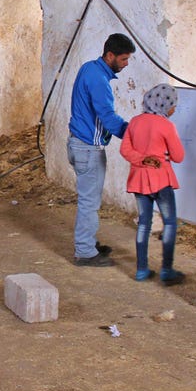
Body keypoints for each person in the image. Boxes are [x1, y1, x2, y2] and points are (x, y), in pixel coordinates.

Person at [68, 32, 136, 267]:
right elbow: (108, 117)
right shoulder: (98, 79)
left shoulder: (89, 68)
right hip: (88, 148)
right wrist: (135, 133)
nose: (126, 65)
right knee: (89, 202)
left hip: (78, 143)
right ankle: (85, 252)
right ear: (110, 55)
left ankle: (87, 241)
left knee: (89, 199)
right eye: (124, 59)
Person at [120, 83, 185, 285]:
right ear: (164, 104)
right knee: (170, 223)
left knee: (144, 224)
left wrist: (142, 159)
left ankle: (141, 270)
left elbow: (125, 150)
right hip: (161, 180)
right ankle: (166, 270)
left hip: (139, 179)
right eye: (173, 104)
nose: (174, 109)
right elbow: (179, 156)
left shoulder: (135, 122)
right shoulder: (166, 125)